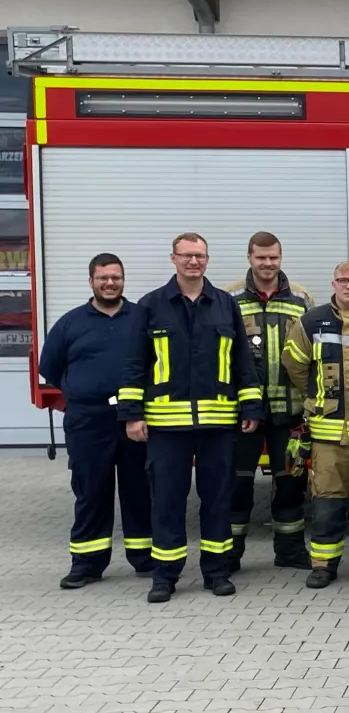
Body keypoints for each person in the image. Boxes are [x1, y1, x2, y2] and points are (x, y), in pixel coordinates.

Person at [121, 233, 263, 602]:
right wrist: (133, 415)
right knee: (167, 499)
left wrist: (250, 406)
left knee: (218, 498)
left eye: (199, 256)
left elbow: (241, 361)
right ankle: (165, 575)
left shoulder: (225, 305)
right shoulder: (151, 305)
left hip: (217, 424)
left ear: (207, 259)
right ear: (173, 259)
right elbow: (135, 363)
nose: (193, 262)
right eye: (187, 256)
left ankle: (216, 571)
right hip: (167, 427)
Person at [42, 253, 153, 588]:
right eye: (103, 277)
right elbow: (50, 366)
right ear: (91, 280)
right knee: (91, 492)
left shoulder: (142, 317)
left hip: (134, 418)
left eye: (116, 277)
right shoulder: (71, 323)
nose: (110, 283)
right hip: (88, 420)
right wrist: (79, 391)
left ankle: (145, 558)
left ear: (123, 279)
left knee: (140, 490)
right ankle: (86, 565)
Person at [281, 260, 349, 587]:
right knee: (326, 501)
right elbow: (295, 365)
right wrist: (317, 397)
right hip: (327, 432)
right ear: (334, 284)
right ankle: (324, 564)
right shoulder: (311, 322)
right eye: (344, 280)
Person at [224, 232, 315, 572]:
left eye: (273, 257)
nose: (268, 263)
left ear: (281, 258)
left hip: (290, 411)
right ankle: (230, 555)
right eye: (261, 257)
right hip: (243, 411)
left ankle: (290, 550)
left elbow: (312, 353)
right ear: (249, 257)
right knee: (237, 484)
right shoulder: (228, 296)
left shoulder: (301, 298)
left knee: (291, 482)